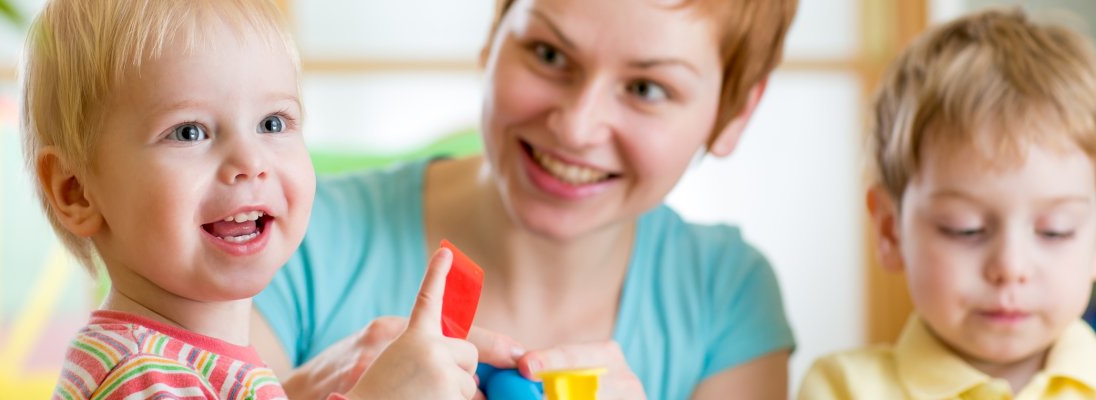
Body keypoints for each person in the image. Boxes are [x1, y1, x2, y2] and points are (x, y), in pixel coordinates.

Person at [252, 0, 799, 398]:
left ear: (735, 113)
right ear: (494, 33)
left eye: (646, 89)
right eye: (548, 54)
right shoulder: (288, 234)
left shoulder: (728, 294)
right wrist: (301, 392)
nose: (577, 127)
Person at [22, 0, 482, 398]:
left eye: (273, 123)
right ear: (76, 191)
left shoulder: (197, 364)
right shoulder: (141, 376)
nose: (250, 160)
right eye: (189, 131)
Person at [798, 8, 1096, 399]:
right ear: (890, 230)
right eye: (965, 228)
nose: (1010, 267)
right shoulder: (844, 387)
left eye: (1055, 231)